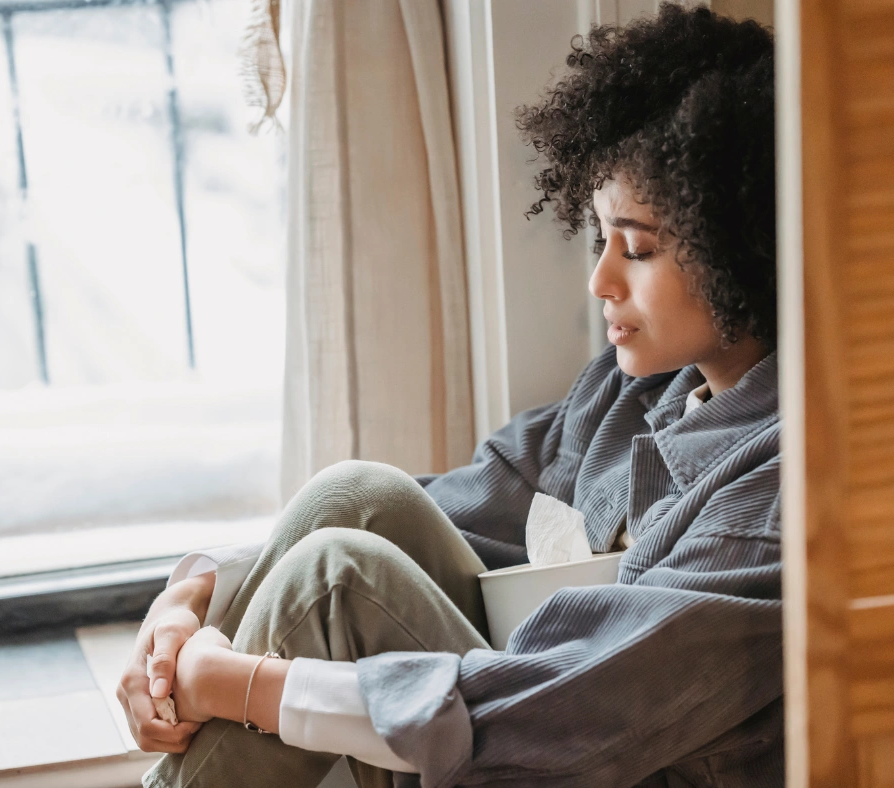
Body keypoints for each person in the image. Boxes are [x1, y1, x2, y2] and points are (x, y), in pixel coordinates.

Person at [117, 5, 782, 786]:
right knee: (357, 497)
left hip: (575, 751)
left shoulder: (777, 498)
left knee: (339, 576)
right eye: (600, 238)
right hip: (533, 736)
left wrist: (238, 683)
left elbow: (554, 715)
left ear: (740, 244)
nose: (599, 280)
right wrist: (190, 598)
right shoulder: (636, 391)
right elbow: (441, 506)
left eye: (635, 249)